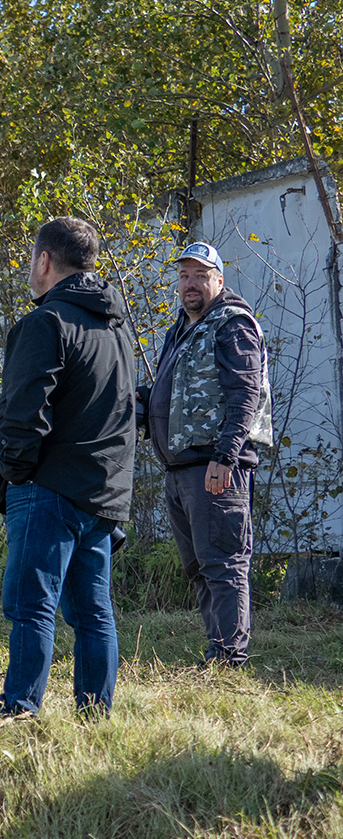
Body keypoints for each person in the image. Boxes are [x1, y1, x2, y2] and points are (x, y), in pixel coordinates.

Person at [0, 217, 135, 717]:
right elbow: (126, 413)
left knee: (31, 606)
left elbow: (23, 412)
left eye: (32, 259)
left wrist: (15, 474)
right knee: (94, 614)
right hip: (101, 494)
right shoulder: (117, 331)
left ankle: (20, 710)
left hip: (48, 488)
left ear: (45, 261)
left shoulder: (45, 323)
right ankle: (95, 716)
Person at [144, 240, 272, 668]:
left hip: (216, 467)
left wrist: (226, 455)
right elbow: (163, 393)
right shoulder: (180, 328)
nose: (190, 283)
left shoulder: (232, 324)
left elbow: (245, 395)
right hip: (180, 469)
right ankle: (218, 648)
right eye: (184, 275)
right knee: (200, 567)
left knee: (224, 564)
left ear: (219, 279)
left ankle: (229, 658)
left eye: (200, 275)